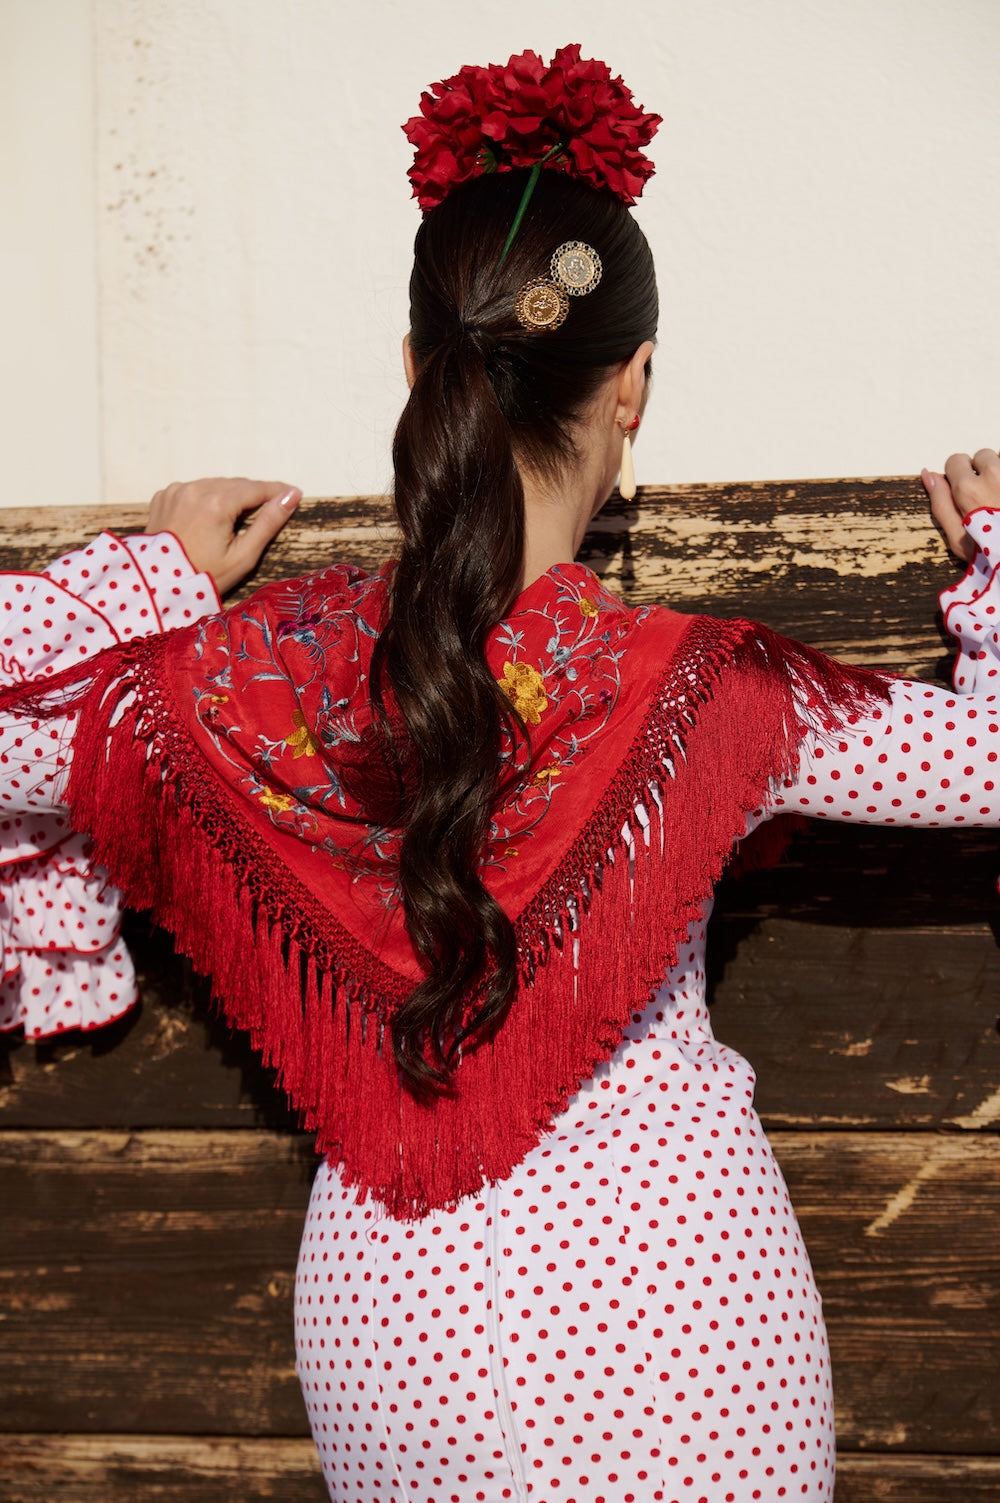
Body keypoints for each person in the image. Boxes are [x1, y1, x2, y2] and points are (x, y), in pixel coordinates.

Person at [1, 44, 998, 1503]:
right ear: (634, 385)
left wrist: (147, 579)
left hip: (404, 1341)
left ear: (418, 371)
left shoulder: (251, 679)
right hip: (686, 1330)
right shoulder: (702, 689)